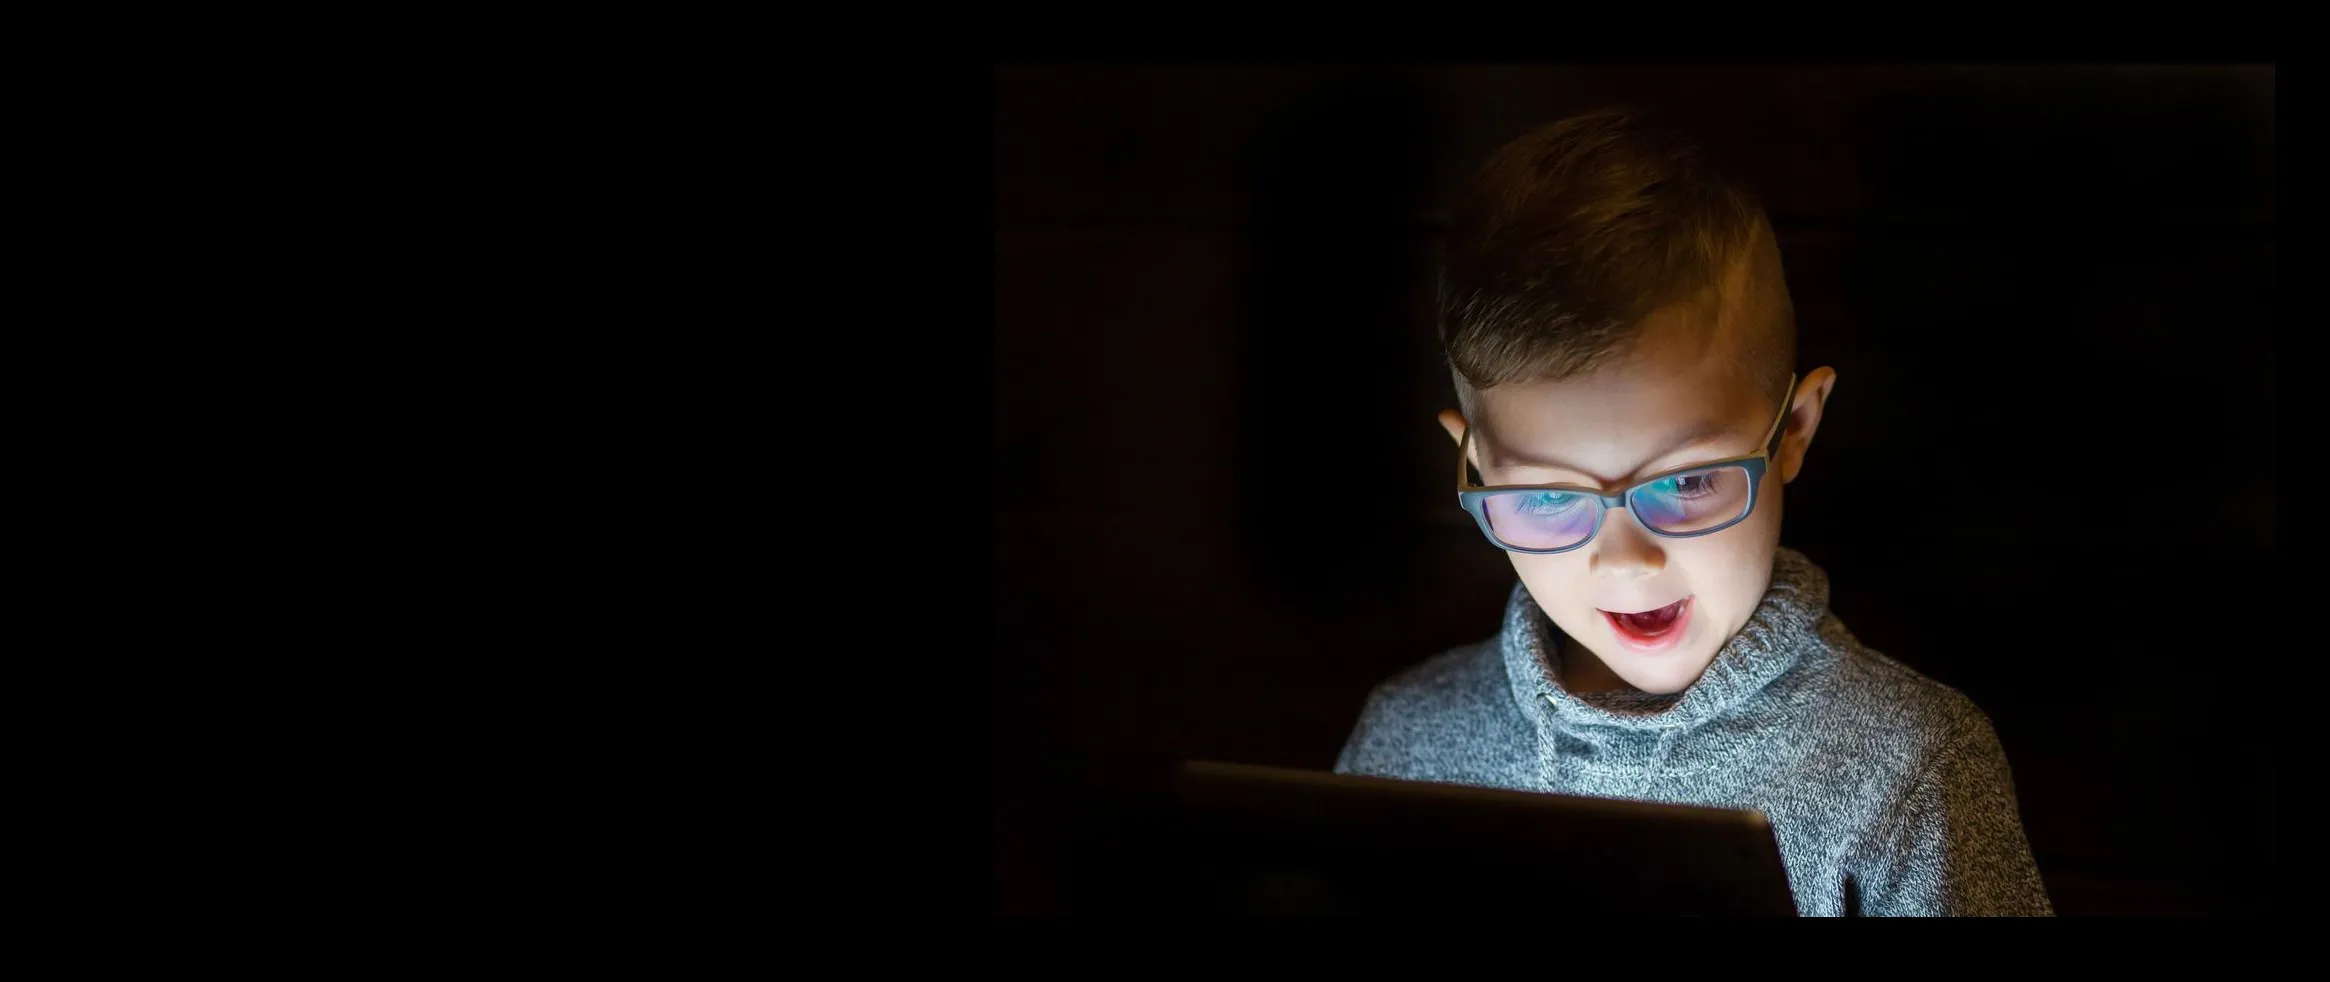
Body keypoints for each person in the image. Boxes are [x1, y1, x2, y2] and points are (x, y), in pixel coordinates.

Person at [1333, 108, 2052, 917]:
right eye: (1547, 497)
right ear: (1470, 464)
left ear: (1795, 431)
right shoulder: (1407, 742)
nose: (1623, 560)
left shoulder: (1906, 767)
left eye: (1684, 483)